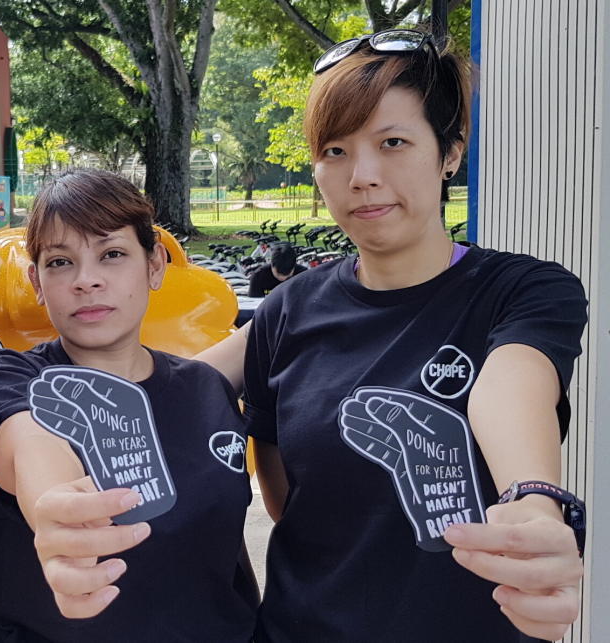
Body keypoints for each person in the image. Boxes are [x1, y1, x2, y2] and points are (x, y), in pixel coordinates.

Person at [238, 30, 588, 642]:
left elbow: (508, 390)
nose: (362, 176)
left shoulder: (522, 291)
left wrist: (532, 503)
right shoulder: (288, 308)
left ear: (450, 152)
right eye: (335, 150)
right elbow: (177, 384)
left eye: (393, 142)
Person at [0, 169, 258, 641]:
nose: (87, 281)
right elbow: (29, 442)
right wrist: (56, 510)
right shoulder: (13, 381)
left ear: (155, 265)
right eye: (60, 262)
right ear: (36, 282)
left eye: (112, 254)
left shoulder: (208, 390)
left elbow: (226, 547)